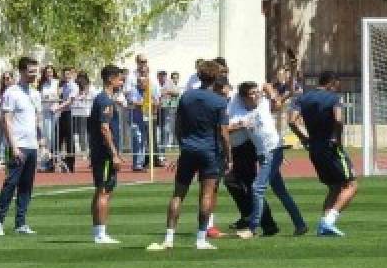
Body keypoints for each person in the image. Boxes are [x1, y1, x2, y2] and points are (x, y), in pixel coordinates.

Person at [148, 60, 230, 251]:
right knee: (207, 194)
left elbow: (178, 125)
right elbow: (224, 133)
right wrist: (229, 156)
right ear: (215, 77)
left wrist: (183, 144)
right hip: (209, 151)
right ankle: (201, 239)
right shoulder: (219, 101)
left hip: (188, 150)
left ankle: (169, 238)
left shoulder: (186, 96)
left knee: (178, 194)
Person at [230, 81, 304, 237]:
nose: (256, 95)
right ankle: (300, 224)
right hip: (263, 154)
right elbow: (226, 128)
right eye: (252, 93)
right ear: (243, 97)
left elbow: (268, 86)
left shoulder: (264, 104)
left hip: (273, 151)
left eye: (257, 92)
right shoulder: (240, 113)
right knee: (280, 191)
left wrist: (271, 94)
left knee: (257, 188)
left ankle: (252, 228)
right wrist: (241, 125)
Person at [289, 70, 358, 237]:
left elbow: (292, 121)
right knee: (351, 185)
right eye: (336, 86)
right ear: (331, 83)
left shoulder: (302, 98)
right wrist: (337, 138)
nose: (337, 89)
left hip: (314, 147)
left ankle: (324, 226)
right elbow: (339, 119)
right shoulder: (333, 98)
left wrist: (304, 139)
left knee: (334, 187)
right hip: (330, 147)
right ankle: (329, 221)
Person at [0, 56, 41, 236]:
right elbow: (5, 120)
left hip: (31, 145)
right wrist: (13, 146)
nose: (34, 75)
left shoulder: (35, 93)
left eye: (35, 71)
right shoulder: (12, 92)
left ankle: (21, 222)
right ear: (21, 71)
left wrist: (41, 140)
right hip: (17, 145)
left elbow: (36, 118)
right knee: (10, 183)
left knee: (27, 186)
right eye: (30, 72)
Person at [87, 64, 126, 244]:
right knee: (104, 191)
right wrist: (114, 154)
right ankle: (100, 234)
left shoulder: (104, 99)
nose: (122, 80)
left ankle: (98, 231)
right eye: (119, 77)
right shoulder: (105, 101)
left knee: (101, 190)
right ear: (110, 79)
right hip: (104, 155)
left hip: (101, 152)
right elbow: (104, 128)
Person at [55, 66, 79, 172]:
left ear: (72, 74)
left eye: (68, 74)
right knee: (59, 138)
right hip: (63, 113)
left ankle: (70, 164)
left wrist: (58, 107)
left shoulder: (74, 86)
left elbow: (70, 100)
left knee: (69, 140)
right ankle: (57, 162)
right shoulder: (63, 86)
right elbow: (60, 98)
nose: (66, 76)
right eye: (64, 74)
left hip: (70, 113)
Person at [38, 64, 59, 171]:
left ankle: (54, 159)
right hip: (45, 111)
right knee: (47, 137)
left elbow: (59, 96)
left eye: (50, 72)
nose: (49, 74)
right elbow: (40, 96)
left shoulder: (57, 82)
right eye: (47, 72)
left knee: (54, 137)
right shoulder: (43, 84)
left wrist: (52, 97)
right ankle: (48, 160)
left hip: (54, 111)